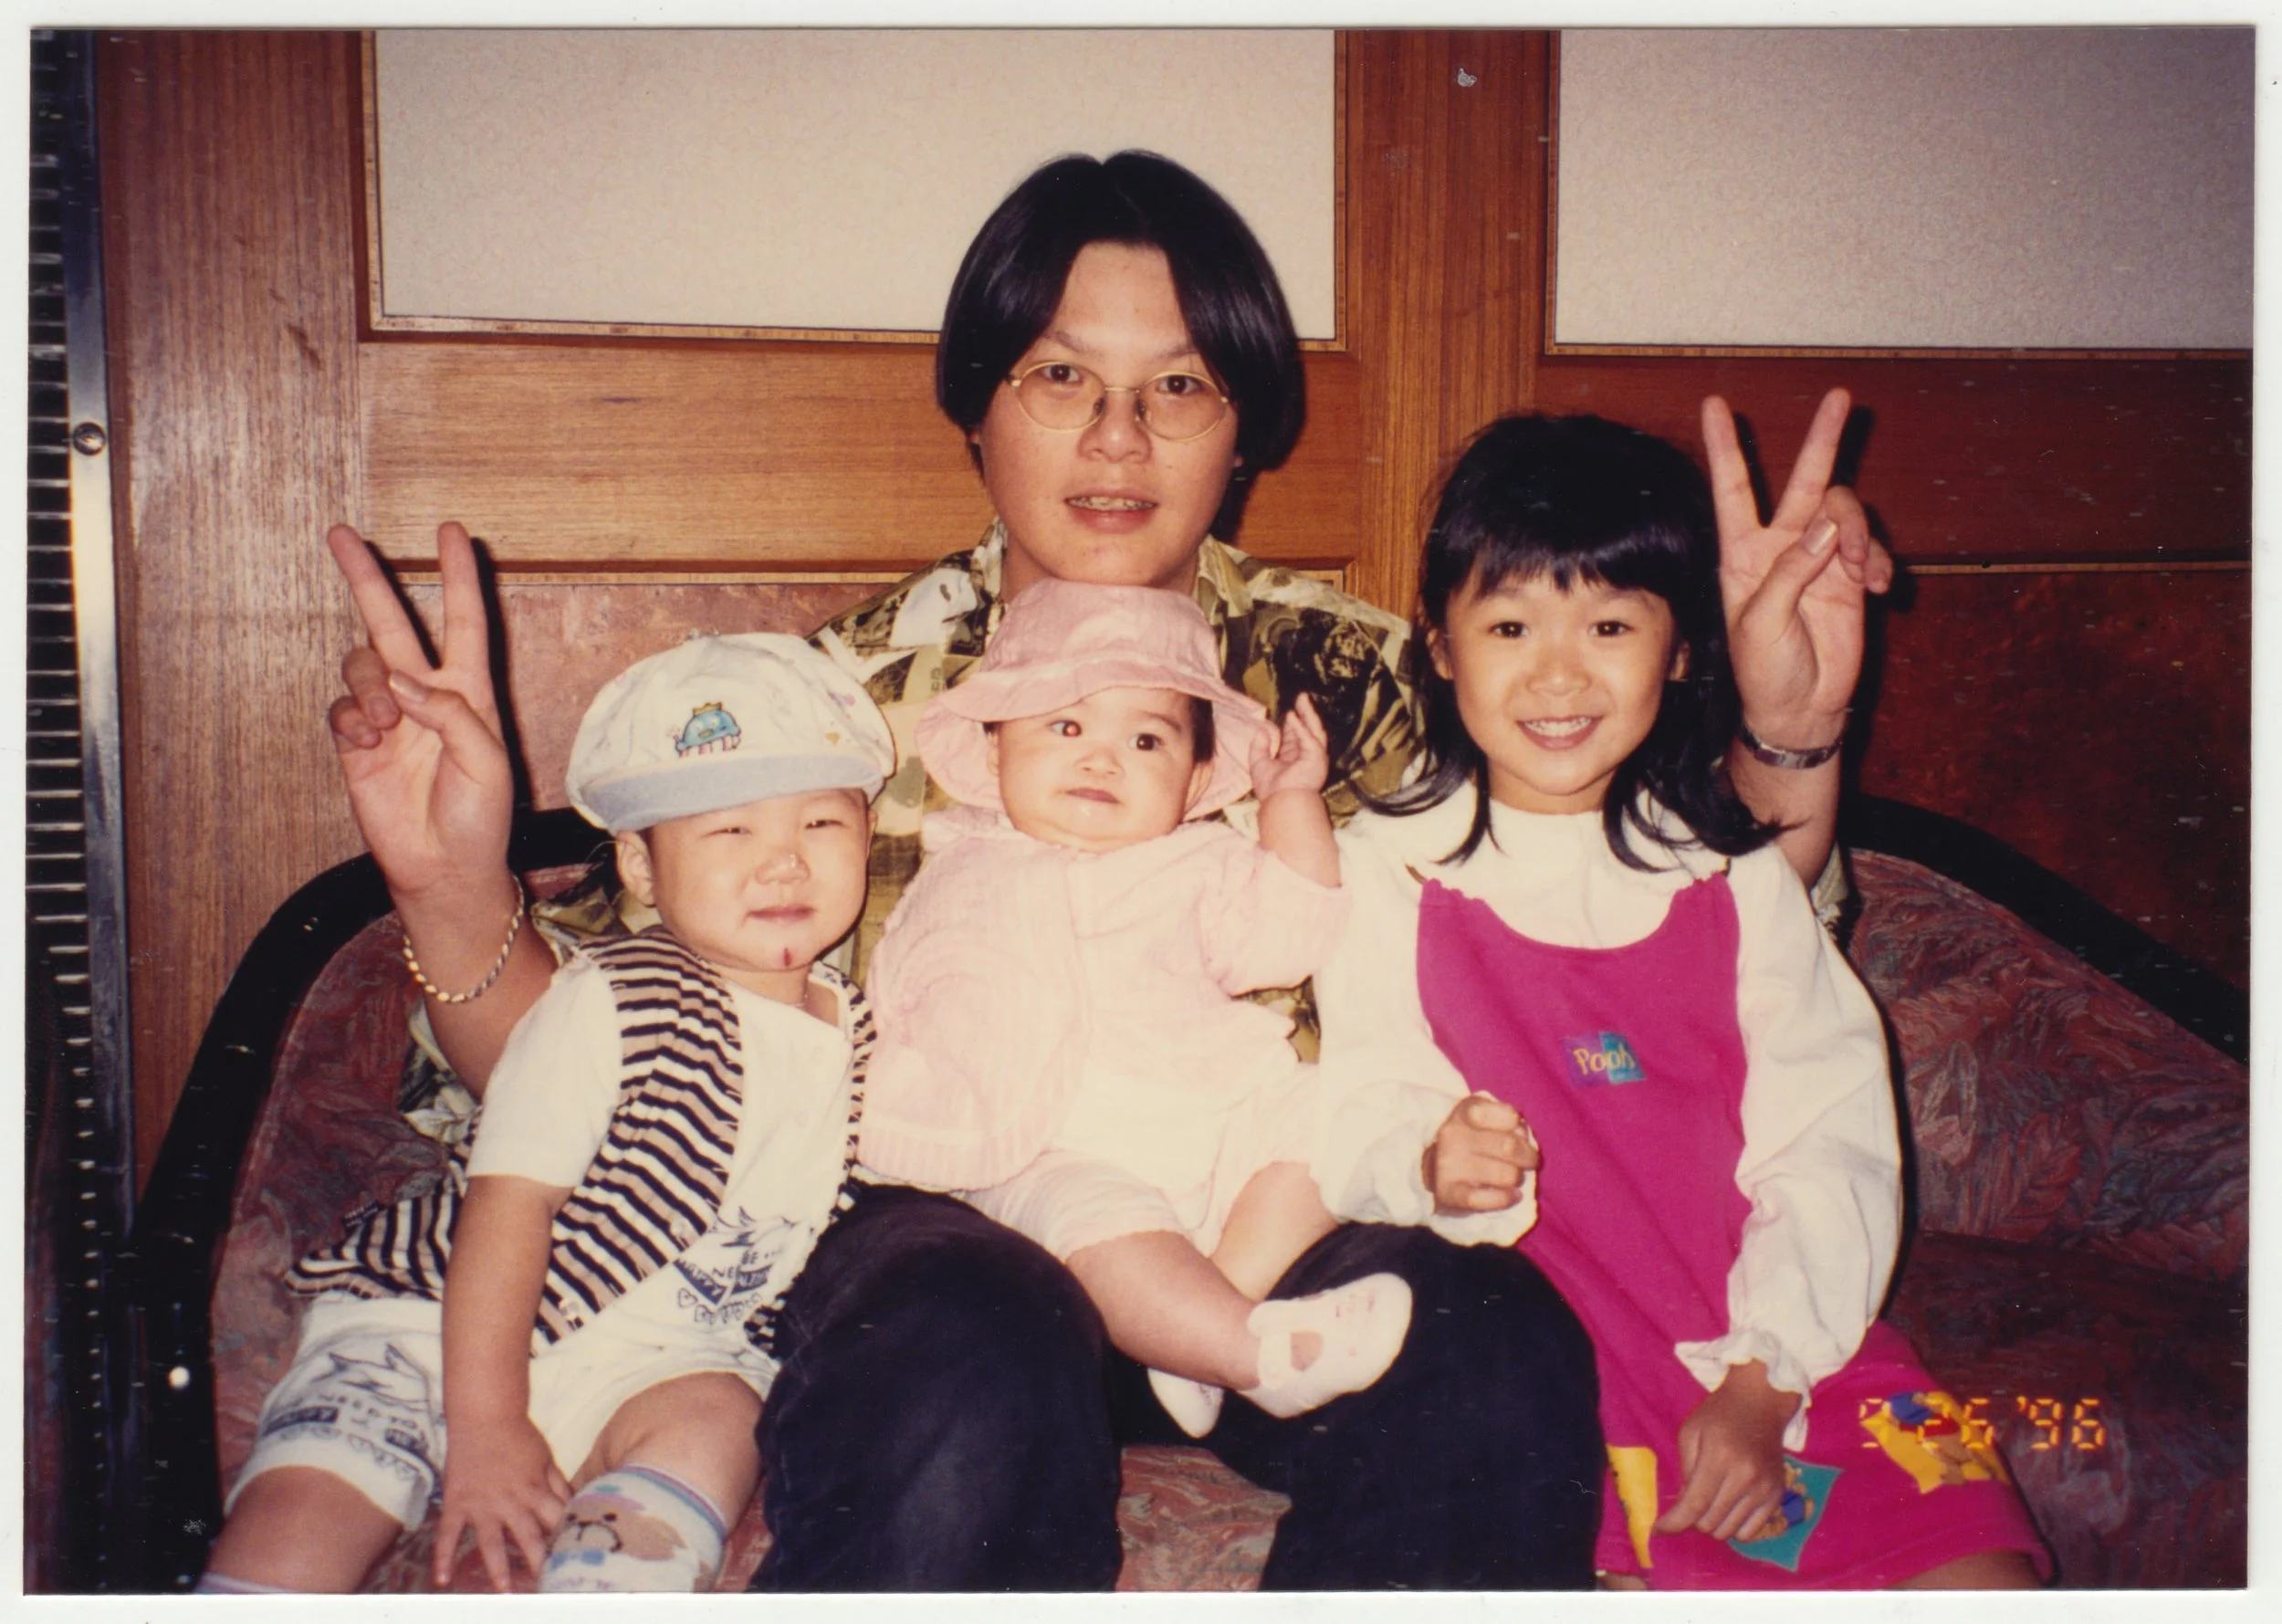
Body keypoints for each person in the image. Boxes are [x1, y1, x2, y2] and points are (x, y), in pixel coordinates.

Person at [320, 150, 1888, 1588]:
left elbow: (1671, 908)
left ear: (1248, 423)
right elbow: (585, 1073)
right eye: (1061, 373)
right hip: (960, 1217)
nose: (1117, 437)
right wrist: (450, 886)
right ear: (977, 406)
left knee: (1487, 1339)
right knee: (967, 1342)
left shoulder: (1374, 677)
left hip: (1281, 1208)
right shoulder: (825, 704)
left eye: (1181, 384)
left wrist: (1790, 729)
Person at [1315, 413, 2049, 1589]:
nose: (1558, 673)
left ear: (1679, 652)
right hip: (1561, 1378)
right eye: (1509, 625)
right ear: (1441, 648)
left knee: (1979, 1572)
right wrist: (1422, 1154)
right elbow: (1351, 1095)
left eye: (1609, 624)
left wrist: (1762, 1384)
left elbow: (1832, 1142)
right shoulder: (1387, 868)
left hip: (1789, 1353)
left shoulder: (1736, 875)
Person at [202, 635, 894, 1594]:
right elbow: (508, 1208)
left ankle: (610, 1581)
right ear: (642, 869)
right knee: (315, 1503)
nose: (783, 865)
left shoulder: (850, 1024)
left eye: (821, 824)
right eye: (729, 833)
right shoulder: (611, 995)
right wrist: (486, 1424)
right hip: (444, 1318)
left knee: (722, 1420)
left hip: (657, 1355)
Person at [862, 581, 1531, 1441]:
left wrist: (1289, 804)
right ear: (994, 754)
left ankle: (1216, 1312)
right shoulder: (954, 874)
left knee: (1329, 1112)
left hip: (1210, 1113)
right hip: (1051, 1136)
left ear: (1195, 777)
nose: (1102, 759)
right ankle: (1255, 1357)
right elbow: (901, 993)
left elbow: (1292, 933)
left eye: (1146, 739)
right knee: (1091, 1222)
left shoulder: (1200, 862)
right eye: (1064, 727)